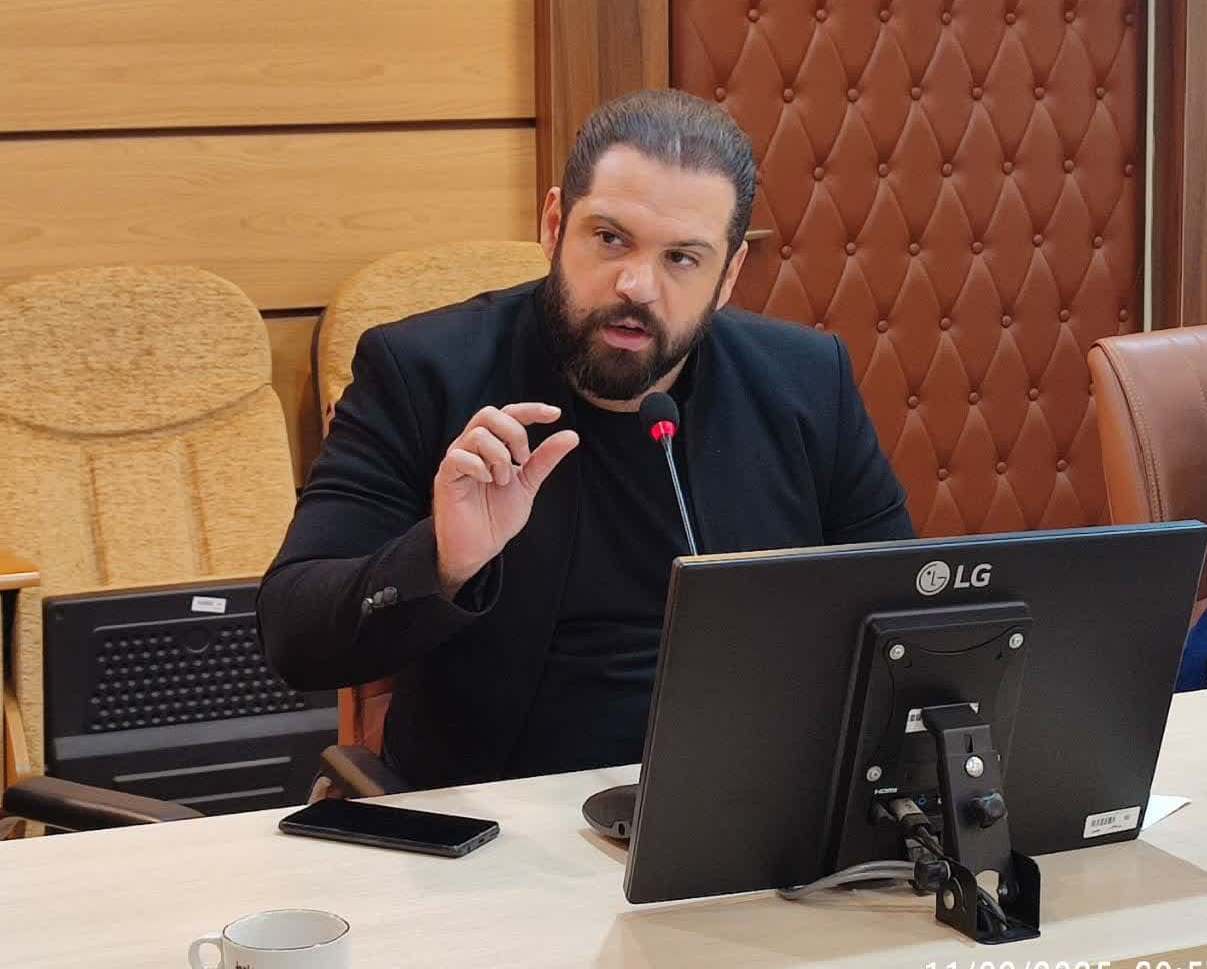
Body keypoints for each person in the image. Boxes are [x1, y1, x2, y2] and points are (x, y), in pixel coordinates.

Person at [257, 89, 914, 790]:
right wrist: (442, 559)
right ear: (553, 226)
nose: (636, 285)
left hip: (748, 797)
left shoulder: (805, 382)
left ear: (727, 278)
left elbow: (905, 616)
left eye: (682, 258)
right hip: (501, 811)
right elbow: (293, 634)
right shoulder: (424, 372)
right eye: (609, 238)